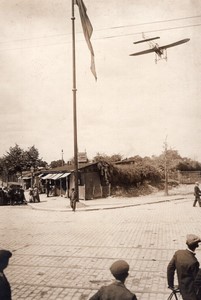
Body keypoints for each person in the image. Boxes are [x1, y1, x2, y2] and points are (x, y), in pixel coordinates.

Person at [167, 234, 201, 300]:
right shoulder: (194, 262)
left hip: (182, 288)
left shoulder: (178, 253)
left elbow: (170, 268)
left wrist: (171, 285)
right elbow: (197, 281)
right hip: (191, 294)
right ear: (197, 246)